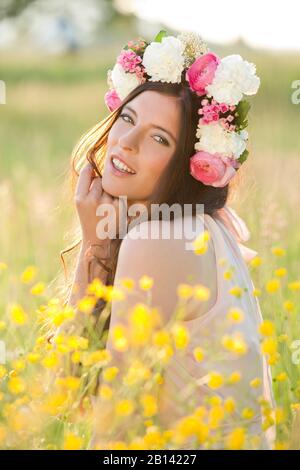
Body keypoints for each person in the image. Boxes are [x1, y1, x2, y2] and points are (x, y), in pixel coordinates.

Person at [56, 31, 276, 449]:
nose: (127, 143)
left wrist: (95, 245)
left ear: (187, 164)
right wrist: (97, 241)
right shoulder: (204, 226)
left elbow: (110, 429)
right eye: (128, 118)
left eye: (160, 139)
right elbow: (79, 396)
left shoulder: (160, 240)